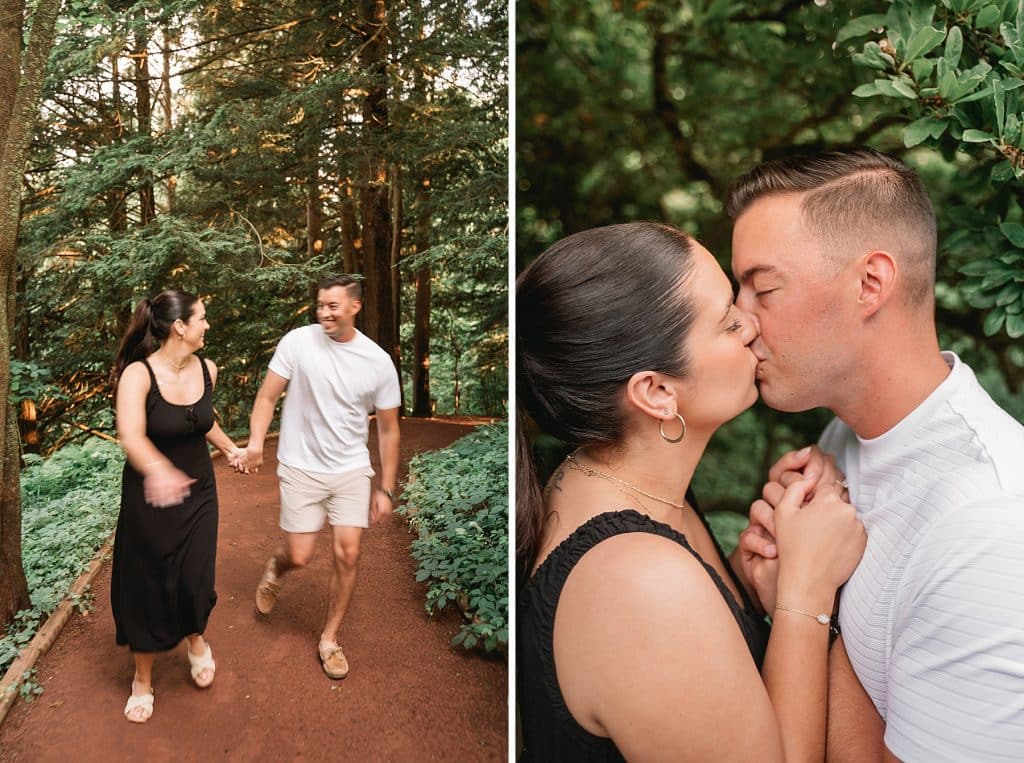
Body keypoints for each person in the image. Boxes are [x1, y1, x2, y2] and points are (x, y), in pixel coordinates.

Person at [517, 222, 867, 761]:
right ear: (657, 392)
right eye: (728, 321)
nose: (753, 324)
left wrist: (749, 578)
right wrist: (807, 592)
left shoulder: (612, 483)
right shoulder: (639, 582)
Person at [727, 147, 1024, 762]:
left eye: (763, 289)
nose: (739, 320)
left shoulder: (988, 529)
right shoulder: (842, 440)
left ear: (870, 284)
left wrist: (806, 604)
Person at [243, 275, 401, 680]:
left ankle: (329, 640)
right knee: (299, 554)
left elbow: (388, 429)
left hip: (350, 470)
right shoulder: (298, 342)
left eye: (333, 305)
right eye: (320, 305)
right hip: (300, 465)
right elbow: (267, 396)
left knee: (348, 553)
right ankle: (277, 570)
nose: (324, 313)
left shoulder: (378, 362)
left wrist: (385, 485)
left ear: (354, 307)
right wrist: (257, 443)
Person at [111, 289, 246, 723]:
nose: (208, 325)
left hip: (199, 492)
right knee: (148, 584)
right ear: (180, 327)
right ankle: (143, 679)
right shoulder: (139, 375)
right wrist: (159, 470)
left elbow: (201, 419)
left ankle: (196, 640)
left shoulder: (209, 369)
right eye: (202, 318)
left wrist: (229, 448)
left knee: (194, 575)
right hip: (149, 496)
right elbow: (131, 435)